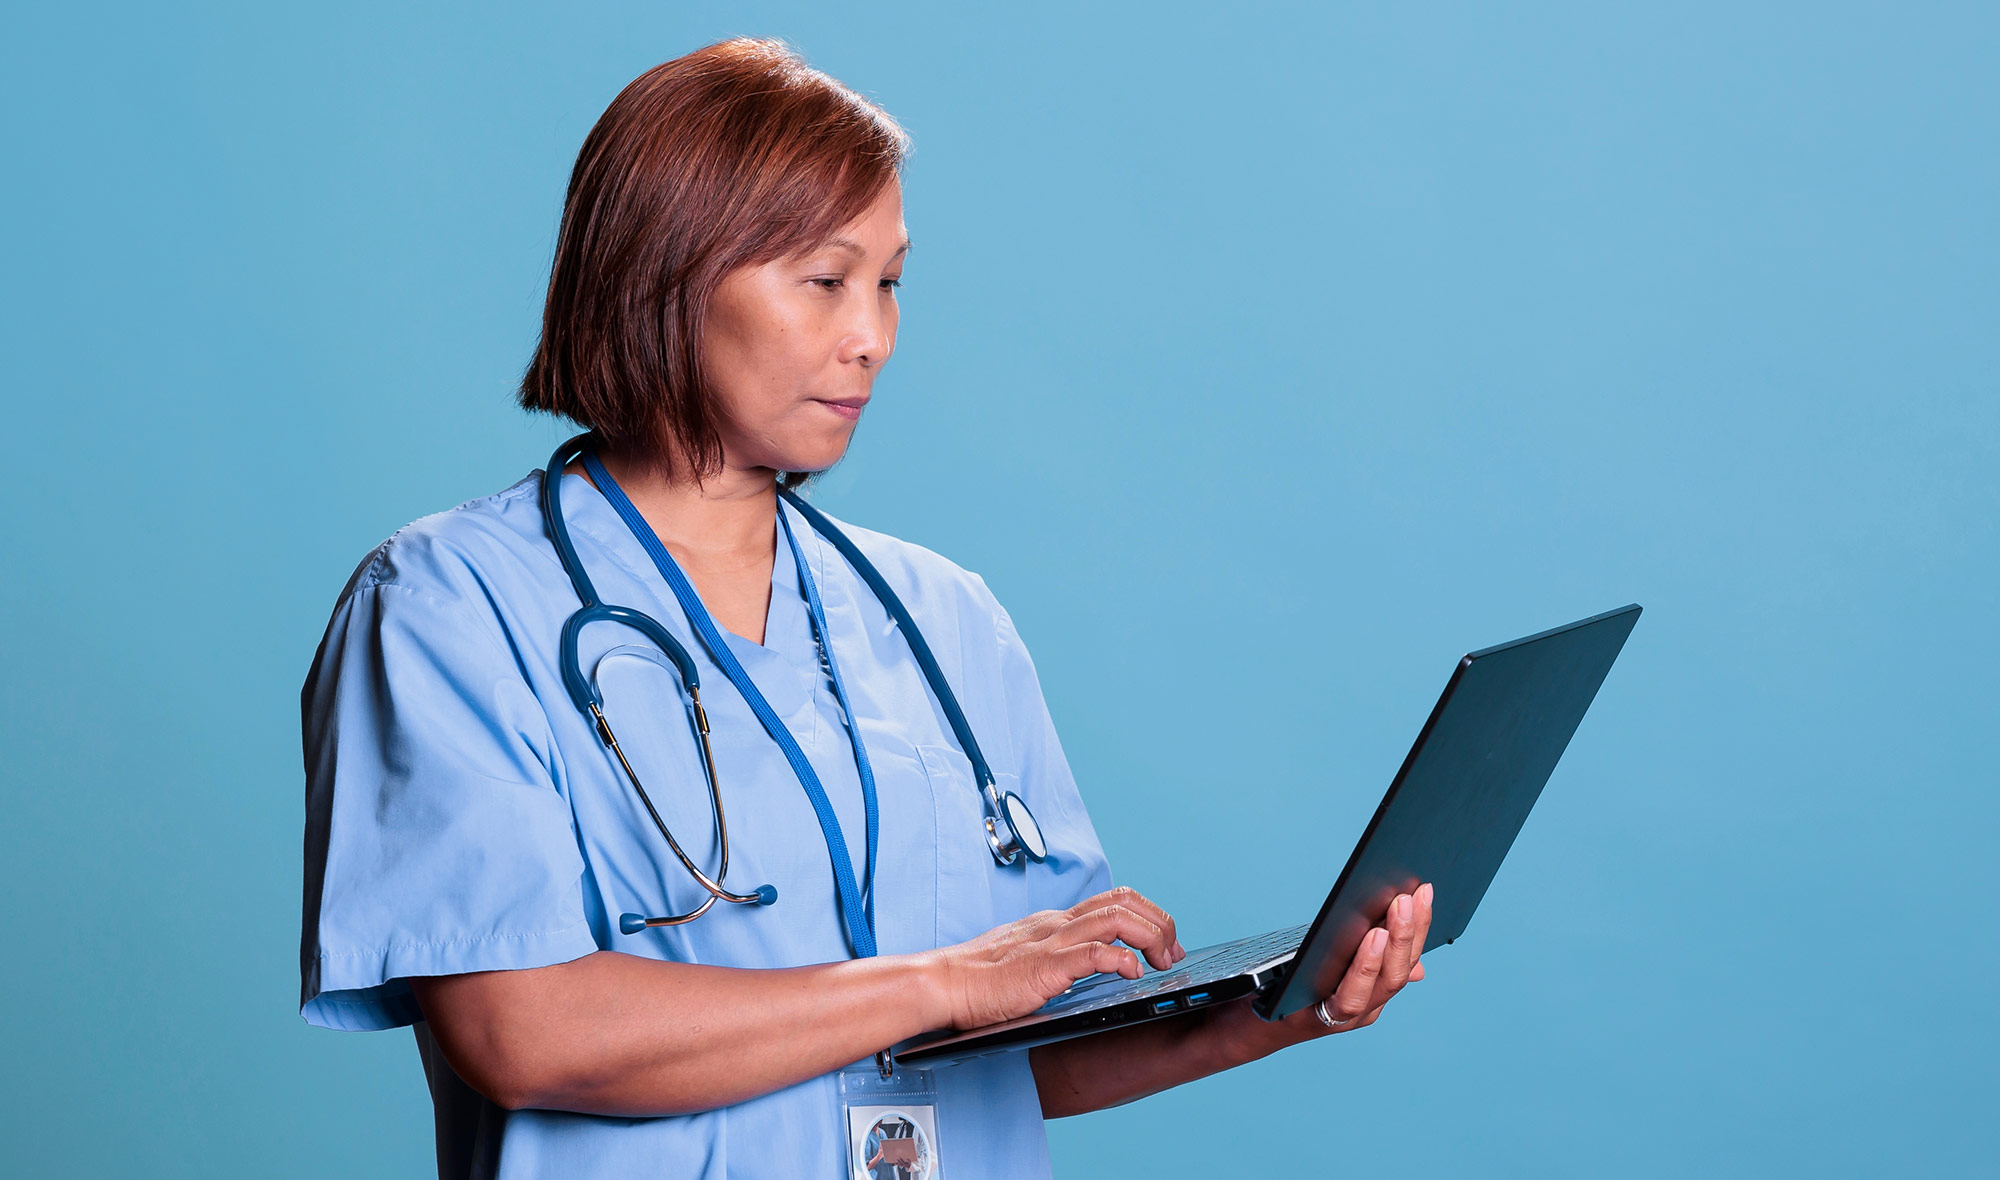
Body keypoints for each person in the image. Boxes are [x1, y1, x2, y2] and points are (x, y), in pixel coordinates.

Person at [298, 37, 1434, 1180]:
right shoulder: (452, 607)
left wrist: (1285, 1007)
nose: (873, 336)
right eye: (826, 280)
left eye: (889, 282)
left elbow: (1027, 1049)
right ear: (667, 274)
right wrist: (939, 979)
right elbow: (521, 1033)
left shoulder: (943, 618)